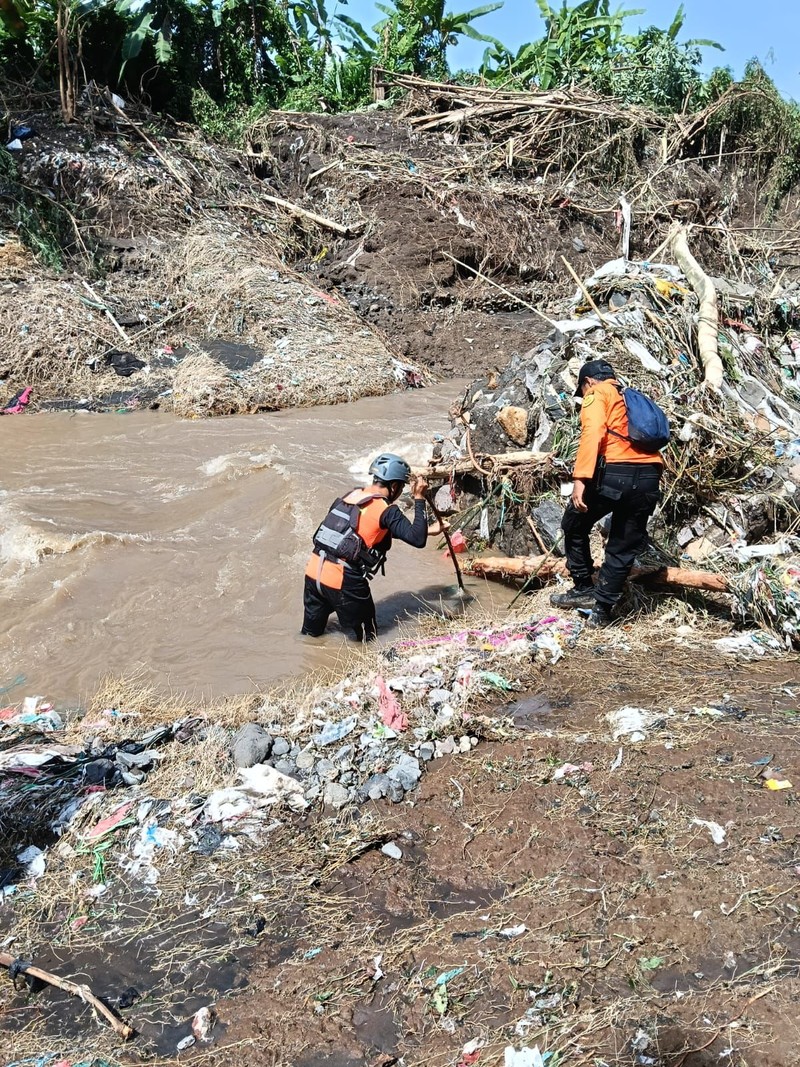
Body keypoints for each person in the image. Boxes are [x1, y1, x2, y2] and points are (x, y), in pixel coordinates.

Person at [550, 359, 664, 628]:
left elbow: (593, 432)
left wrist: (580, 479)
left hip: (615, 474)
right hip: (650, 475)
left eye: (582, 391)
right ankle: (601, 612)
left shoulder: (598, 394)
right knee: (623, 545)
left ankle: (582, 588)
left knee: (574, 523)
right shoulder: (631, 398)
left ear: (588, 382)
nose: (583, 397)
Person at [301, 453, 438, 642]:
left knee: (310, 637)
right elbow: (417, 540)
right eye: (401, 487)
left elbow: (362, 530)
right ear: (394, 486)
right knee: (367, 638)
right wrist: (419, 498)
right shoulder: (386, 509)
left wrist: (428, 530)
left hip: (314, 573)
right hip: (343, 580)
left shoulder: (350, 496)